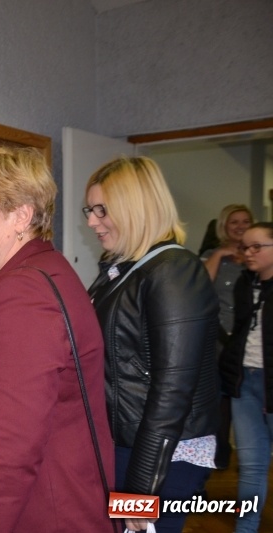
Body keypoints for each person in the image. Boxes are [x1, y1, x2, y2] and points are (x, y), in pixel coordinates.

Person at [0, 145, 114, 532]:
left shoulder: (23, 294)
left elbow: (11, 447)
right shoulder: (45, 270)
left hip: (40, 512)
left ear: (21, 215)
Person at [84, 156, 220, 533]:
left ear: (135, 208)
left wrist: (142, 488)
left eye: (101, 209)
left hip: (162, 458)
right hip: (128, 445)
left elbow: (172, 390)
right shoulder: (122, 270)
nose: (92, 221)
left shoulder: (173, 270)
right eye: (89, 210)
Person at [219, 222, 273, 533]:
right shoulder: (244, 283)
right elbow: (239, 331)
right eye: (245, 247)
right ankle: (245, 529)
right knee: (251, 466)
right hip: (245, 383)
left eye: (257, 247)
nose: (248, 252)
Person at [201, 204, 254, 468]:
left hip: (249, 339)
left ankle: (250, 455)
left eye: (246, 221)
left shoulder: (258, 255)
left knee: (246, 396)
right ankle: (220, 452)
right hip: (218, 339)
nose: (240, 226)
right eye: (234, 222)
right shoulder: (211, 255)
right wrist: (220, 253)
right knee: (219, 397)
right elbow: (200, 287)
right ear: (224, 225)